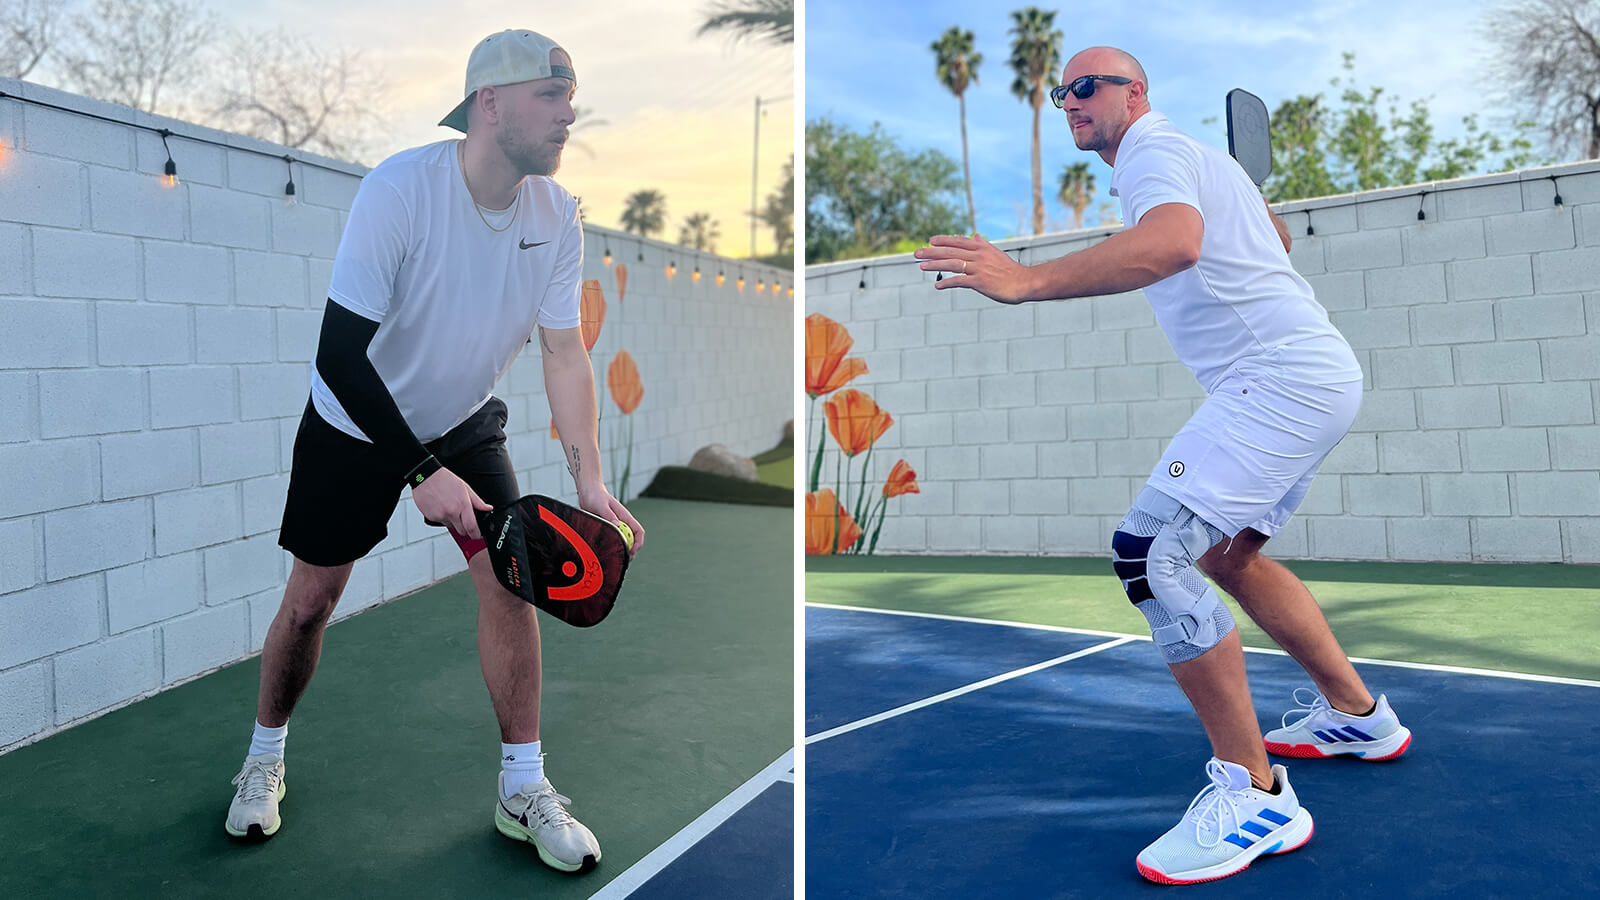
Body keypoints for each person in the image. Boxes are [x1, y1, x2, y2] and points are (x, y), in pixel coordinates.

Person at [914, 46, 1410, 886]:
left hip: (1277, 379)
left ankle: (1255, 796)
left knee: (1151, 552)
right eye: (1057, 91)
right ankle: (1357, 717)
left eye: (1086, 87)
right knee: (1225, 558)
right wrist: (1248, 209)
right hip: (1317, 376)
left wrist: (1028, 281)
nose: (1068, 101)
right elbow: (1270, 239)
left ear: (1134, 94)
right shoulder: (1193, 162)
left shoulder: (1150, 149)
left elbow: (1174, 245)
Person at [223, 29, 644, 875]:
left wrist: (589, 479)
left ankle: (521, 788)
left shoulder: (558, 215)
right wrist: (418, 470)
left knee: (509, 579)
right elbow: (339, 356)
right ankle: (263, 757)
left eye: (572, 95)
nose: (570, 113)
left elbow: (565, 353)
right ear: (490, 104)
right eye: (550, 95)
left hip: (463, 419)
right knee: (312, 599)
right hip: (353, 420)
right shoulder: (400, 191)